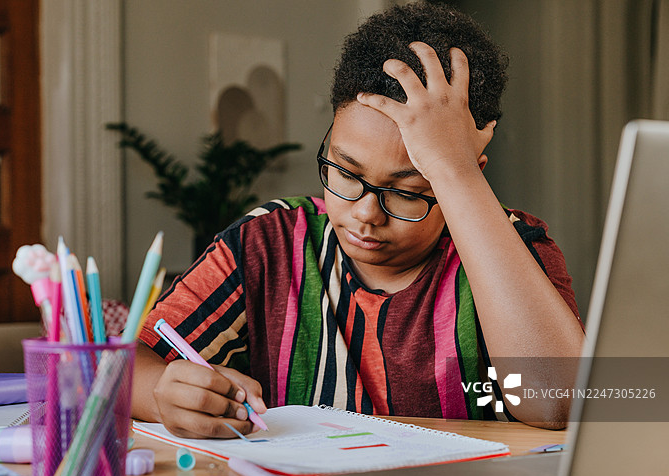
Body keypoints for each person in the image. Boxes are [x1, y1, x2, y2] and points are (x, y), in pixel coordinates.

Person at [130, 2, 585, 438]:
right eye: (345, 171)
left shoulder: (513, 247)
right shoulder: (268, 242)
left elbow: (558, 400)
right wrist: (161, 392)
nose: (365, 214)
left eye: (407, 192)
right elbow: (129, 364)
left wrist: (454, 171)